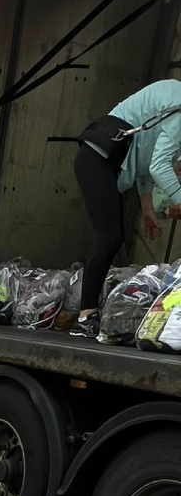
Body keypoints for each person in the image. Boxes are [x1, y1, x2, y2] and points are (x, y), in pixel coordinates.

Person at [71, 80, 178, 338]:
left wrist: (147, 208)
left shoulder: (172, 98)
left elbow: (145, 166)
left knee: (111, 236)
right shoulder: (179, 110)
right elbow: (160, 167)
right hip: (97, 160)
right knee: (110, 236)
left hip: (101, 162)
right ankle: (85, 317)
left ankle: (88, 312)